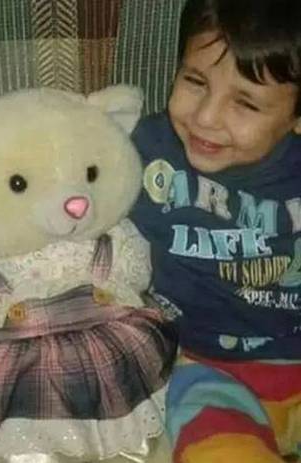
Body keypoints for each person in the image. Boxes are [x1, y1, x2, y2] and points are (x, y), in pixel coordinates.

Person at [129, 0, 301, 461]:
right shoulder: (144, 150)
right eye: (195, 81)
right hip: (203, 370)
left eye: (246, 103)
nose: (205, 117)